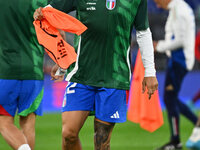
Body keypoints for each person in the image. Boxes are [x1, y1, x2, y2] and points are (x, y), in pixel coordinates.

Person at [34, 0, 158, 149]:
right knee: (68, 134)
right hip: (81, 74)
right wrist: (62, 56)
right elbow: (48, 14)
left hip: (114, 77)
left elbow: (143, 32)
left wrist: (150, 71)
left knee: (101, 142)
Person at [0, 0, 49, 150]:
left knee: (4, 122)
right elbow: (57, 32)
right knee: (28, 123)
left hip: (6, 70)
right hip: (34, 71)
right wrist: (61, 64)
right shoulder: (42, 2)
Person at [153, 0, 198, 149]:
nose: (158, 6)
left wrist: (158, 46)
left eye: (158, 2)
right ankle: (194, 125)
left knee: (169, 97)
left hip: (180, 60)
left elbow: (180, 40)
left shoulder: (180, 10)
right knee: (170, 98)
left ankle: (175, 141)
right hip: (177, 59)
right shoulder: (177, 8)